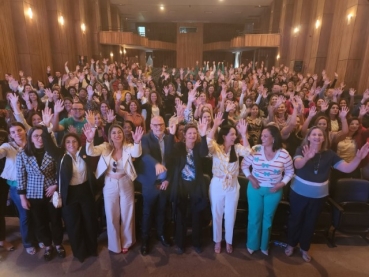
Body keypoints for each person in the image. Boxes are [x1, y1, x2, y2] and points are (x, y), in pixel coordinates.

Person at [285, 126, 369, 262]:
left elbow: (347, 168)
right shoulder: (301, 149)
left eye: (320, 135)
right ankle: (291, 244)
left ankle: (304, 248)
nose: (317, 137)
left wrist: (358, 158)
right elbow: (297, 165)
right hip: (299, 193)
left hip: (318, 195)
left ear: (324, 138)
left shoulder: (330, 154)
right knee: (295, 219)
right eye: (314, 134)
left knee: (310, 222)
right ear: (308, 137)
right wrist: (306, 158)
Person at [41, 107, 99, 262]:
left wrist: (93, 126)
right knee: (74, 225)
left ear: (78, 142)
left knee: (89, 222)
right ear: (64, 144)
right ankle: (80, 253)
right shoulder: (60, 155)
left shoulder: (84, 152)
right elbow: (48, 145)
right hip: (69, 194)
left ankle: (92, 249)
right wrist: (46, 127)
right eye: (68, 141)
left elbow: (93, 141)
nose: (71, 144)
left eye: (74, 141)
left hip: (85, 191)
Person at [84, 123, 144, 254]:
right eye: (114, 133)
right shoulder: (105, 147)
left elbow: (137, 153)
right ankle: (114, 243)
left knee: (127, 213)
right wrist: (89, 139)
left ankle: (127, 242)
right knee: (111, 214)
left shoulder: (128, 147)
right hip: (109, 183)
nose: (117, 135)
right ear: (110, 135)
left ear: (123, 134)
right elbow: (90, 151)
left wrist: (137, 142)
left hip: (126, 181)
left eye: (119, 132)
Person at [241, 125, 294, 255]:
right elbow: (244, 165)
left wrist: (281, 184)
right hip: (255, 188)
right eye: (262, 135)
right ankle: (252, 244)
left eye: (265, 136)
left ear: (274, 138)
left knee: (268, 219)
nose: (262, 138)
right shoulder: (255, 149)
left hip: (274, 191)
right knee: (254, 217)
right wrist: (251, 178)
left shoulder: (284, 154)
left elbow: (290, 171)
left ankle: (264, 245)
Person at [17, 126, 65, 261]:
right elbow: (21, 176)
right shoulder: (22, 154)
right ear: (30, 138)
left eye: (42, 136)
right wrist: (23, 197)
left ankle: (58, 244)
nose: (40, 139)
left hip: (52, 192)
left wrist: (55, 184)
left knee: (56, 220)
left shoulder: (53, 152)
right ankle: (48, 245)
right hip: (33, 193)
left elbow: (60, 171)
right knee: (40, 222)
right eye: (36, 136)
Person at [207, 113, 251, 254]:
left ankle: (229, 241)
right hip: (217, 184)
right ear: (224, 136)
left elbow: (249, 153)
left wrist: (244, 135)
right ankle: (217, 241)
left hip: (232, 184)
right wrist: (214, 125)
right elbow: (207, 143)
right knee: (217, 213)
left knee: (231, 214)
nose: (234, 136)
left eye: (235, 134)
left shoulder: (237, 148)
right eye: (231, 134)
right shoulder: (216, 147)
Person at [135, 116, 176, 255]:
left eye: (161, 124)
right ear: (151, 126)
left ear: (165, 125)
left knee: (162, 210)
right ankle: (145, 240)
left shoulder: (170, 138)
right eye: (155, 125)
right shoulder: (145, 138)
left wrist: (167, 180)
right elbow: (145, 155)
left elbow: (172, 162)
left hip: (164, 182)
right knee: (147, 212)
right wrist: (156, 164)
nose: (158, 127)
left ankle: (161, 235)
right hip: (150, 182)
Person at [169, 121, 209, 254]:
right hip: (181, 185)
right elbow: (169, 153)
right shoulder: (179, 147)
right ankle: (180, 243)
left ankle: (196, 242)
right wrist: (171, 134)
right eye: (189, 133)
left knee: (196, 214)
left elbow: (204, 153)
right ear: (184, 135)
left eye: (194, 133)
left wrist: (203, 136)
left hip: (196, 185)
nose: (192, 135)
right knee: (181, 215)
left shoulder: (198, 146)